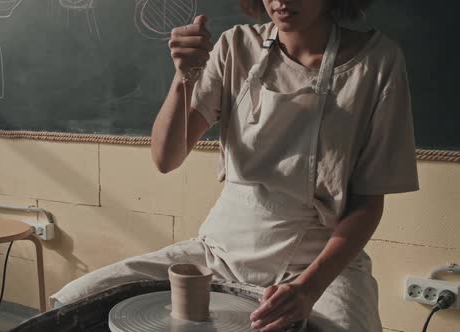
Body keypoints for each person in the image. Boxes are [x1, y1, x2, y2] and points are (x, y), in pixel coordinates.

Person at [51, 1, 419, 331]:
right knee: (76, 300)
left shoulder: (376, 61)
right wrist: (184, 76)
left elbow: (368, 203)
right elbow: (166, 158)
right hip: (220, 252)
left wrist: (308, 289)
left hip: (316, 261)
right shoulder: (235, 46)